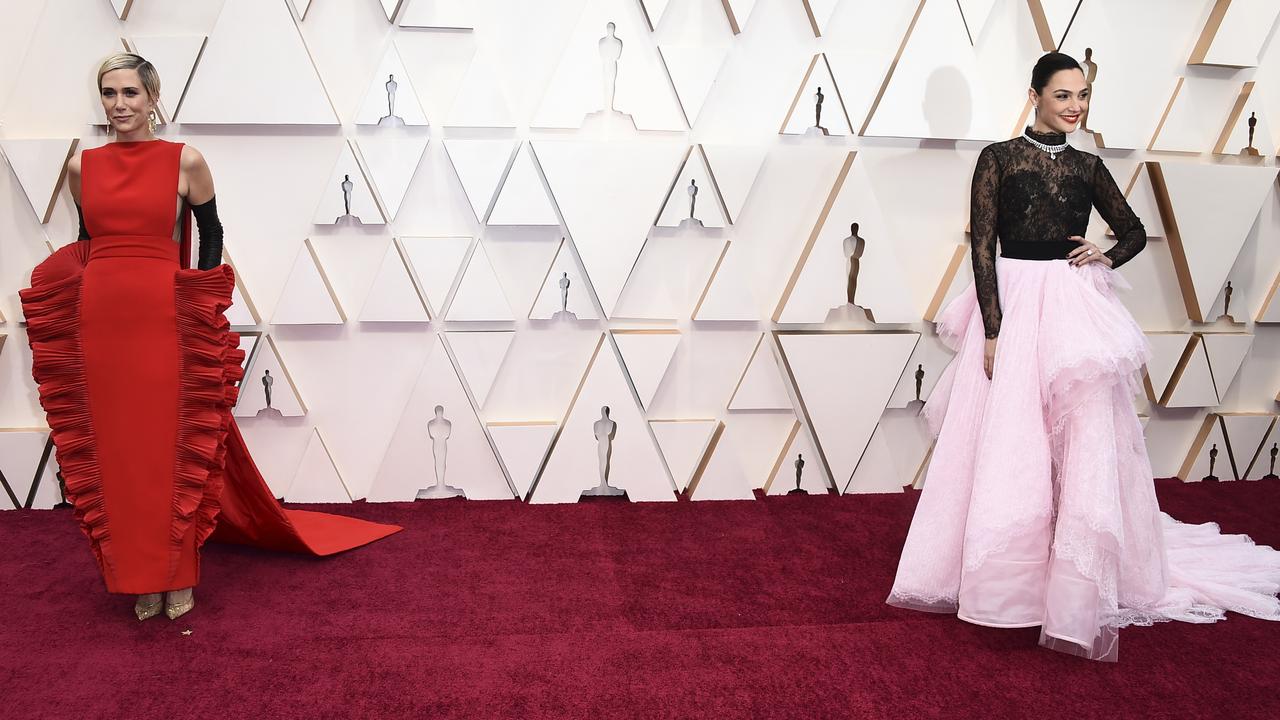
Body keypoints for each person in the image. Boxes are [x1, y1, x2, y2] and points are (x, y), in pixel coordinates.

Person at [886, 52, 1280, 661]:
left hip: (1072, 308)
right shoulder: (998, 159)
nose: (1075, 106)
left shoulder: (1089, 165)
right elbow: (983, 247)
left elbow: (1132, 231)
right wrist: (993, 328)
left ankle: (1070, 578)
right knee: (1010, 438)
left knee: (1082, 435)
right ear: (1035, 95)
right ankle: (1007, 584)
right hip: (1014, 300)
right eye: (1064, 95)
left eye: (1083, 95)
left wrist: (1102, 255)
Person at [19, 53, 400, 623]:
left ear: (152, 97)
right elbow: (85, 241)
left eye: (130, 93)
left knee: (164, 451)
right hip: (102, 321)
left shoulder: (186, 161)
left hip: (160, 318)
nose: (119, 105)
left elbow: (212, 235)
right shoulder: (82, 167)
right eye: (108, 93)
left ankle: (176, 576)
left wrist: (197, 305)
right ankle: (141, 579)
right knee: (119, 453)